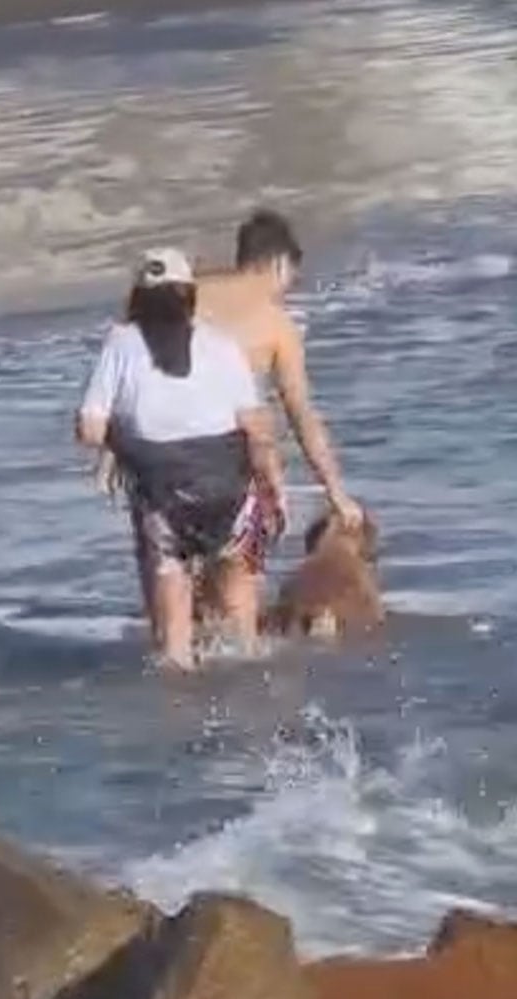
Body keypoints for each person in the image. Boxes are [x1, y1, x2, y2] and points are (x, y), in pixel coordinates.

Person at [77, 248, 285, 671]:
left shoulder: (120, 342)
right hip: (230, 484)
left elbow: (90, 430)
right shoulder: (221, 343)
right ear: (190, 296)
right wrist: (274, 486)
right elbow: (256, 428)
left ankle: (180, 711)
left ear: (136, 299)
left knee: (174, 645)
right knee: (242, 621)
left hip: (163, 489)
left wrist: (121, 441)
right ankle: (254, 695)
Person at [196, 208, 362, 531]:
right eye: (290, 277)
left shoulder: (183, 294)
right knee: (238, 573)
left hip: (158, 454)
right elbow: (301, 414)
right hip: (223, 466)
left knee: (171, 571)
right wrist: (337, 494)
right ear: (278, 265)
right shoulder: (276, 326)